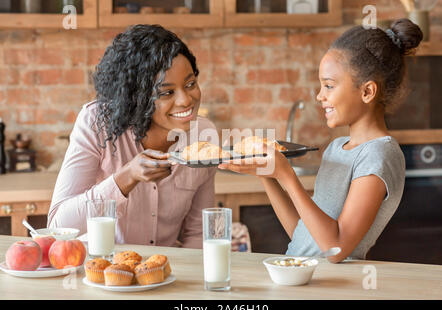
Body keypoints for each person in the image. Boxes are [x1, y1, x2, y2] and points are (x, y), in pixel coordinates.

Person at [218, 19, 423, 263]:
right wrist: (267, 174)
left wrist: (287, 176)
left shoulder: (379, 156)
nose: (320, 95)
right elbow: (303, 234)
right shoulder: (337, 148)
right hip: (303, 277)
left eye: (329, 86)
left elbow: (335, 249)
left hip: (334, 288)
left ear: (367, 91)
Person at [48, 24, 217, 249]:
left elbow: (198, 233)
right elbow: (58, 226)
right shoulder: (97, 123)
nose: (186, 100)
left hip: (162, 273)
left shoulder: (204, 136)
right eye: (166, 92)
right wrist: (126, 178)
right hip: (101, 271)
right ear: (135, 97)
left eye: (190, 84)